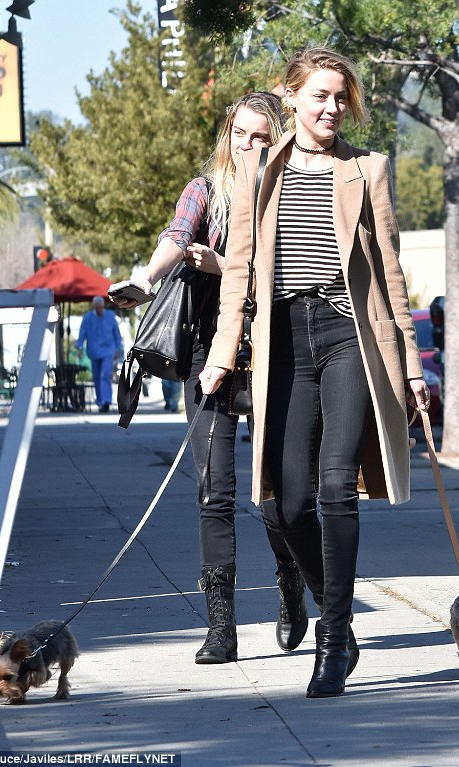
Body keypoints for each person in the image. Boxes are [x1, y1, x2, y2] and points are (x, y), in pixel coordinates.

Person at [199, 48, 430, 698]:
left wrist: (410, 365)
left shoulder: (366, 169)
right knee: (286, 501)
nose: (331, 107)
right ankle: (339, 616)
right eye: (321, 95)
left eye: (341, 98)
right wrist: (221, 355)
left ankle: (331, 642)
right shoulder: (258, 172)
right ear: (291, 95)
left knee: (335, 485)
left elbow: (390, 272)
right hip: (284, 343)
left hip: (348, 335)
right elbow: (238, 271)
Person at [109, 92, 309, 665]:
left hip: (275, 350)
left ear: (278, 142)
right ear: (227, 133)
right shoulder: (205, 190)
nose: (247, 146)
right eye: (240, 134)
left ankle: (290, 582)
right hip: (209, 353)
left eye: (261, 138)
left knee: (278, 495)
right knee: (212, 493)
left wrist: (224, 267)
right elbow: (176, 234)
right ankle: (221, 627)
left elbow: (290, 270)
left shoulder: (288, 194)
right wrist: (147, 278)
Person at [76, 296, 123, 413]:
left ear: (103, 307)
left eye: (100, 308)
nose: (99, 310)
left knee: (104, 375)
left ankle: (106, 401)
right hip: (94, 352)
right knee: (97, 377)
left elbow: (117, 334)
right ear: (94, 307)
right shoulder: (87, 318)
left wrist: (118, 349)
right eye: (97, 308)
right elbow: (82, 333)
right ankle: (100, 402)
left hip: (108, 351)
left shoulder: (110, 317)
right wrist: (79, 347)